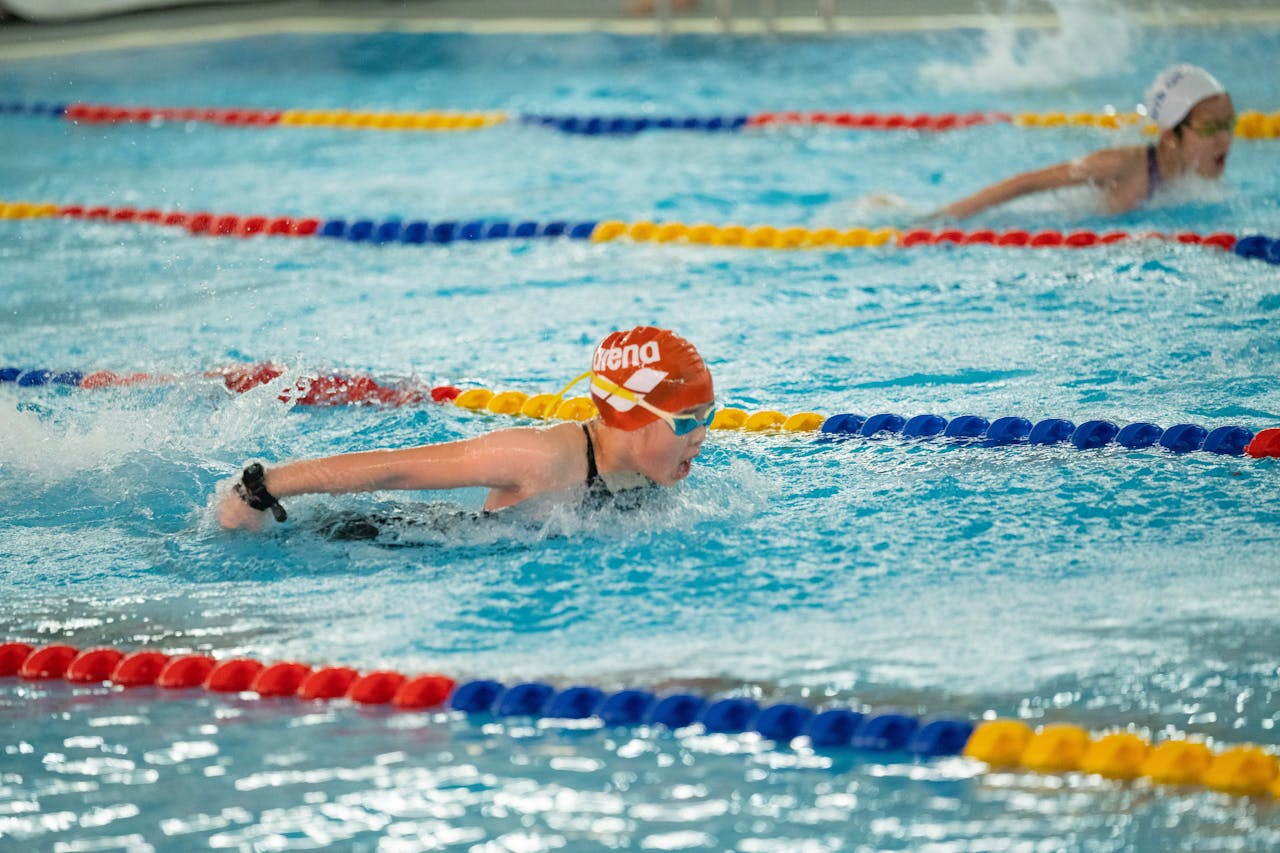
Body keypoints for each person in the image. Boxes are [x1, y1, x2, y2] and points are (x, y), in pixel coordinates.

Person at [216, 326, 716, 531]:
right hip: (383, 542)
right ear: (632, 418)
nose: (703, 433)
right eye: (689, 419)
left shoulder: (655, 468)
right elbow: (397, 470)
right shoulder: (543, 457)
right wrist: (262, 489)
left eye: (709, 414)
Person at [935, 64, 1235, 220]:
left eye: (1229, 124)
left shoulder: (1196, 183)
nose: (1225, 139)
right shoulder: (1123, 166)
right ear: (1170, 136)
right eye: (1211, 128)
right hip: (1043, 225)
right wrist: (945, 217)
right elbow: (1029, 183)